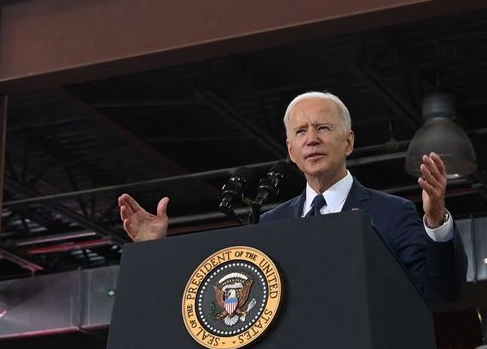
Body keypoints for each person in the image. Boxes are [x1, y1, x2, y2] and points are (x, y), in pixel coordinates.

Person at [117, 91, 466, 304]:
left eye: (323, 128)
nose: (311, 139)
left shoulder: (393, 214)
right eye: (301, 131)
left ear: (349, 142)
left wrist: (435, 221)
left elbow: (438, 291)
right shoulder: (271, 224)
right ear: (291, 151)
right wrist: (154, 252)